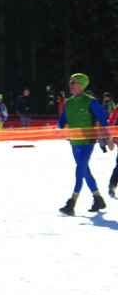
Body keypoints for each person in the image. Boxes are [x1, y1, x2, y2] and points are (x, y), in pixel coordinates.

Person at [58, 73, 114, 215]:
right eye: (70, 82)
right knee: (84, 170)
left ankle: (72, 202)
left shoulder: (91, 102)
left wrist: (109, 138)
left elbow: (103, 121)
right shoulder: (68, 103)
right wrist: (57, 129)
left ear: (82, 85)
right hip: (74, 142)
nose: (70, 85)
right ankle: (98, 198)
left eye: (74, 82)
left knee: (80, 170)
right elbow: (62, 121)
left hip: (88, 142)